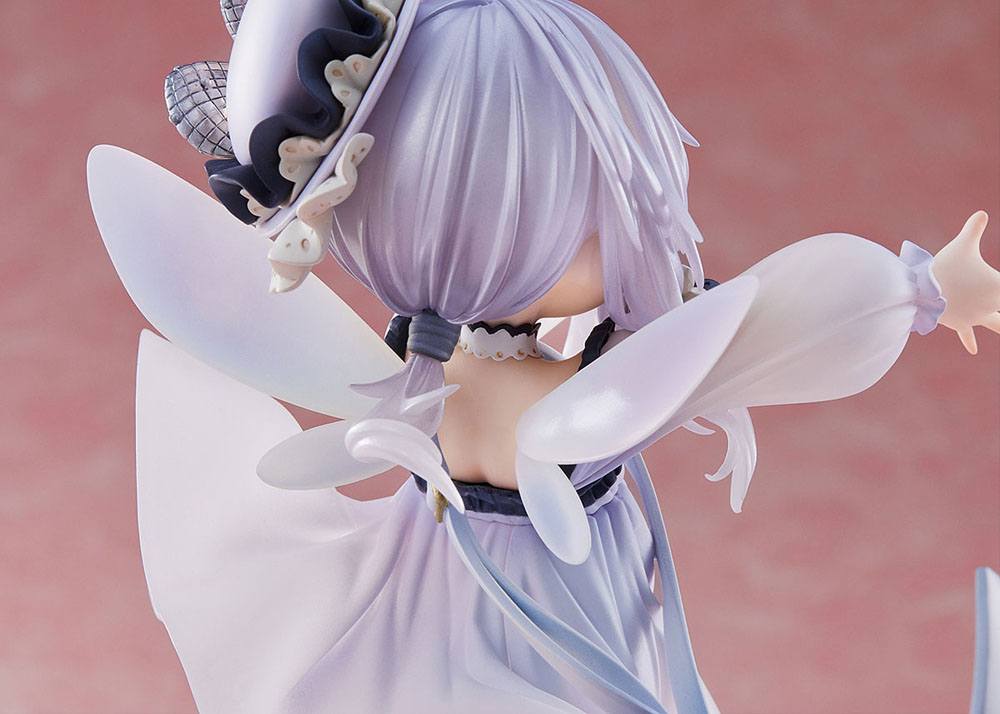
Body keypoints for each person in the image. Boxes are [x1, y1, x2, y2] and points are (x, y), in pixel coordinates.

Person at [88, 0, 1000, 711]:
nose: (630, 225)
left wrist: (908, 294)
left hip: (455, 599)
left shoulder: (431, 379)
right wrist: (915, 292)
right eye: (599, 207)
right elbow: (780, 326)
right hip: (558, 620)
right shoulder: (571, 391)